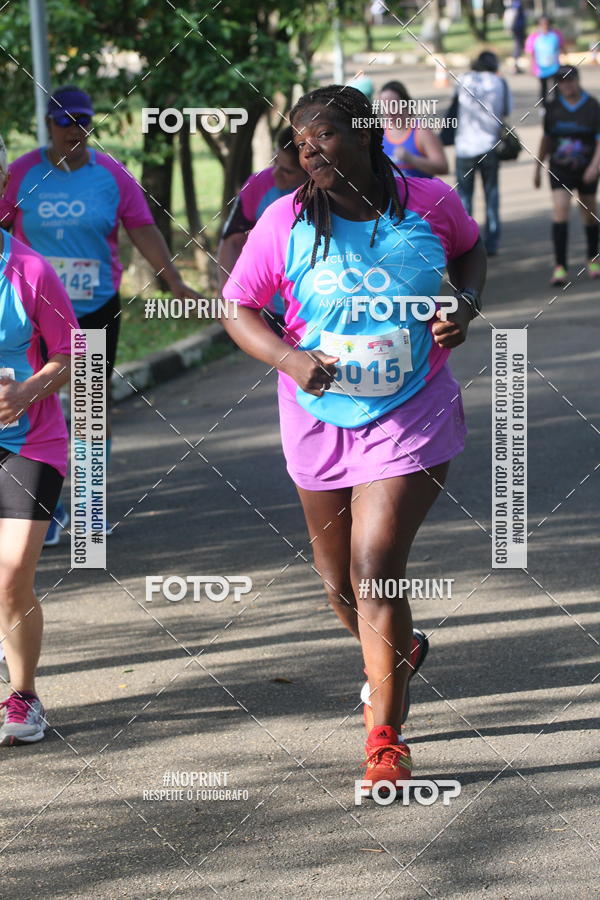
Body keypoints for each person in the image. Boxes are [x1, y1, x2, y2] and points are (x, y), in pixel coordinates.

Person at [221, 85, 486, 794]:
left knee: (375, 568)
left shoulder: (429, 203)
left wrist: (463, 305)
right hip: (318, 419)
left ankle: (385, 738)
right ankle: (398, 647)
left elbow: (469, 251)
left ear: (366, 135)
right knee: (339, 585)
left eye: (325, 134)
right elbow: (238, 307)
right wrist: (290, 357)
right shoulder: (284, 223)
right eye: (300, 138)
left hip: (411, 410)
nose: (309, 148)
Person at [0, 86, 198, 544]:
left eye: (83, 122)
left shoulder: (111, 175)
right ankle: (39, 510)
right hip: (32, 313)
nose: (75, 130)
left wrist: (173, 281)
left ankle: (87, 510)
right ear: (49, 124)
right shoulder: (24, 173)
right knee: (29, 400)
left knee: (90, 408)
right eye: (65, 121)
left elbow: (142, 228)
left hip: (92, 309)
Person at [0, 134, 79, 745]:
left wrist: (26, 391)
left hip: (30, 441)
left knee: (10, 575)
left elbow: (75, 355)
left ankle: (23, 696)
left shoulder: (28, 269)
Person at [218, 126, 307, 334]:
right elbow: (231, 241)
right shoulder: (258, 184)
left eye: (287, 170)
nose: (275, 174)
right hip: (275, 310)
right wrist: (228, 301)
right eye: (275, 161)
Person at [534, 66, 600, 284]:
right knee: (560, 210)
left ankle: (592, 256)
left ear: (577, 80)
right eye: (561, 81)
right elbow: (546, 139)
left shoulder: (592, 106)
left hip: (587, 168)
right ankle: (560, 266)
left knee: (589, 213)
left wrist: (594, 166)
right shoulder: (552, 108)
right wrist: (537, 167)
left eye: (570, 80)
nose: (566, 85)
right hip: (560, 168)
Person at [455, 51, 510, 257]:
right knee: (491, 194)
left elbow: (455, 105)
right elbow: (506, 111)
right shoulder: (500, 82)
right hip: (490, 146)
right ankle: (492, 242)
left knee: (465, 198)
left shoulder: (463, 79)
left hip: (464, 146)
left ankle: (465, 241)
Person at [379, 81, 449, 178]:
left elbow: (443, 167)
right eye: (384, 106)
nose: (389, 110)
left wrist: (411, 159)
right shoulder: (379, 132)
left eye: (394, 104)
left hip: (421, 192)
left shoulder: (421, 131)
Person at [525, 16, 565, 107]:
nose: (545, 26)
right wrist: (531, 66)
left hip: (555, 67)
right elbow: (530, 52)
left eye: (546, 23)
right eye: (542, 24)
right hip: (541, 68)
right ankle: (544, 107)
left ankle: (558, 106)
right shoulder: (534, 36)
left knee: (557, 87)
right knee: (544, 88)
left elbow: (562, 47)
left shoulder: (556, 34)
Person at [510, 1, 527, 75]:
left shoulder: (517, 3)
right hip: (518, 29)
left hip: (519, 28)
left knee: (519, 47)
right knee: (517, 48)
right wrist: (511, 27)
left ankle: (516, 66)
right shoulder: (517, 3)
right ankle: (515, 67)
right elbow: (513, 15)